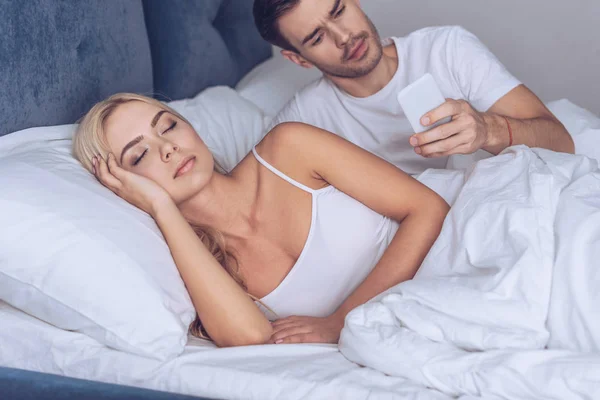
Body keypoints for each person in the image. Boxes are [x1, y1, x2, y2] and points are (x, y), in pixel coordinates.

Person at [72, 93, 449, 347]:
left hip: (455, 249)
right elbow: (251, 337)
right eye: (139, 156)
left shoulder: (288, 149)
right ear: (124, 186)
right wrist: (161, 208)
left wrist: (340, 321)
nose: (168, 148)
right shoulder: (194, 265)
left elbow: (428, 209)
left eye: (168, 126)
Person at [253, 0, 574, 175]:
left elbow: (560, 142)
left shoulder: (447, 49)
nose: (344, 37)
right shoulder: (302, 121)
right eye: (317, 38)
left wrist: (488, 130)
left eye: (338, 10)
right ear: (298, 60)